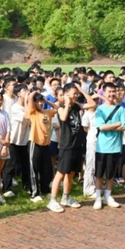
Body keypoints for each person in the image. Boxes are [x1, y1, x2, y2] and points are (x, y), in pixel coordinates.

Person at [47, 83, 96, 212]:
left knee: (71, 172)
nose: (75, 96)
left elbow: (92, 104)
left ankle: (66, 197)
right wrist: (68, 103)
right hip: (66, 145)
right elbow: (63, 118)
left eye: (76, 94)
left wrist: (81, 90)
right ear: (66, 94)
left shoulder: (77, 106)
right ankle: (52, 200)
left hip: (77, 144)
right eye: (73, 94)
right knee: (61, 173)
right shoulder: (61, 108)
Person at [93, 83, 125, 209]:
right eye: (109, 91)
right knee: (99, 174)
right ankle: (98, 197)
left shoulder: (120, 109)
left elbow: (124, 126)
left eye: (114, 91)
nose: (112, 94)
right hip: (102, 147)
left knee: (110, 174)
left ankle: (108, 195)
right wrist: (116, 124)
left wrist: (110, 127)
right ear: (104, 93)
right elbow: (101, 127)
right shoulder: (100, 109)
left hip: (115, 147)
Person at [25, 89, 57, 203]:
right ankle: (34, 193)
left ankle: (45, 190)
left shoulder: (47, 112)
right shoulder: (33, 113)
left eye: (41, 101)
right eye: (37, 102)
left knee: (46, 169)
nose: (40, 103)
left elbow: (57, 108)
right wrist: (34, 92)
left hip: (45, 144)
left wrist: (46, 101)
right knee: (34, 169)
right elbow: (30, 99)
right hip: (35, 143)